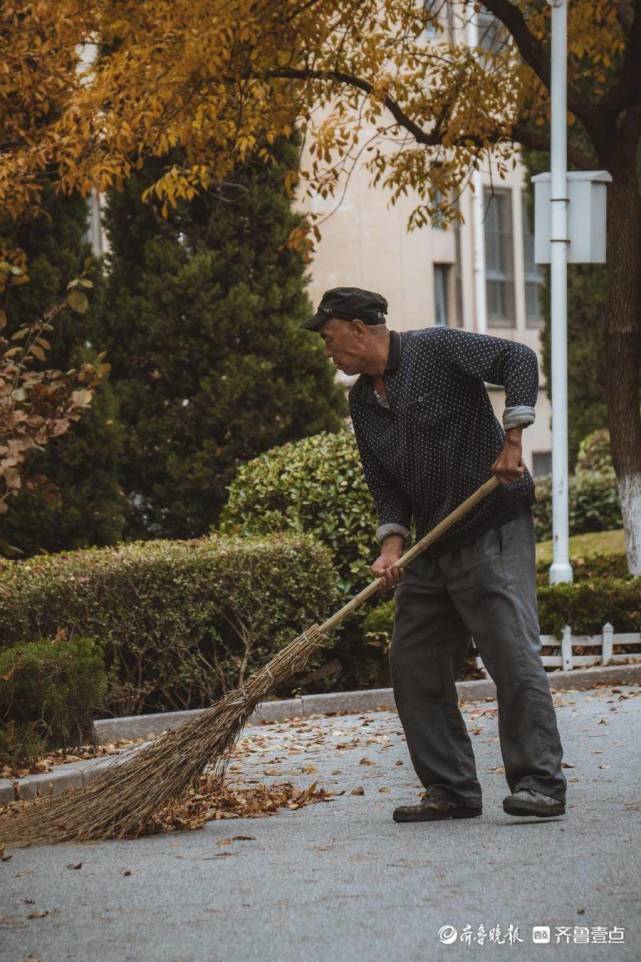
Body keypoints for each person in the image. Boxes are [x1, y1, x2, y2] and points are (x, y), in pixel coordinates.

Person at [302, 286, 567, 823]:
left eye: (330, 339)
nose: (329, 352)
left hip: (490, 524)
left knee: (511, 655)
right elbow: (384, 482)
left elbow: (517, 357)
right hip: (433, 542)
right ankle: (451, 788)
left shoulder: (436, 349)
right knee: (413, 663)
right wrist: (392, 546)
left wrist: (513, 439)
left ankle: (540, 783)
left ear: (358, 328)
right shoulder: (361, 400)